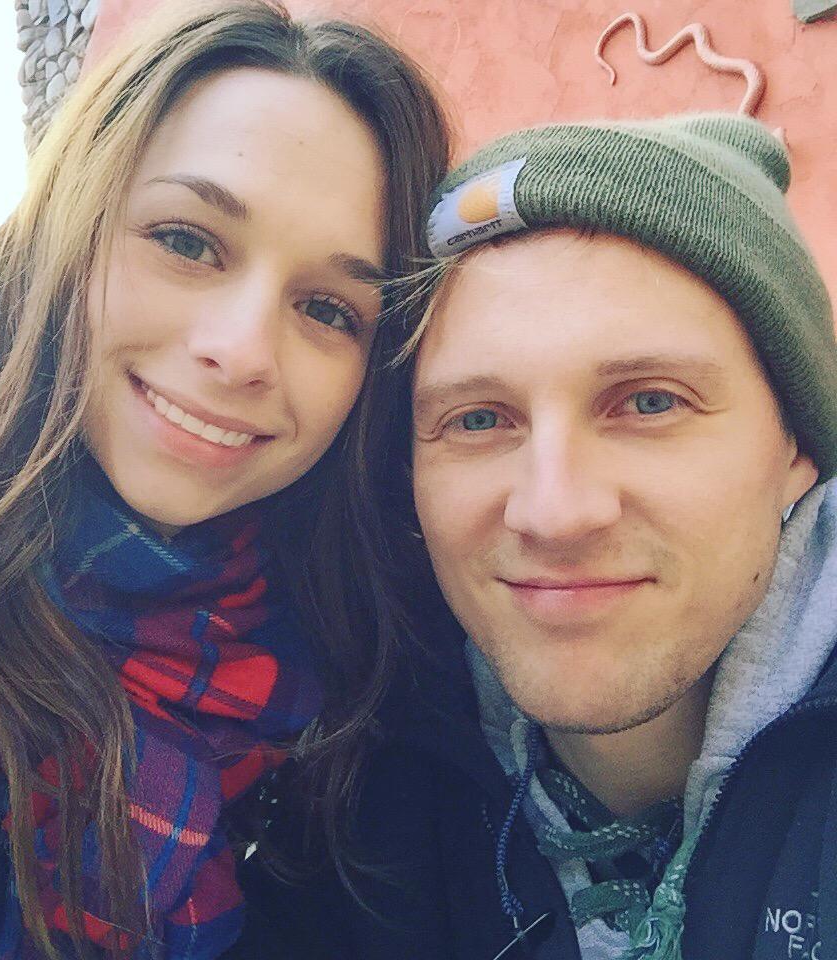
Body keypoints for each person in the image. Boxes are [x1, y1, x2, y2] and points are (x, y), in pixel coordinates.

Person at [0, 1, 449, 957]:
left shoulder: (370, 666)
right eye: (187, 241)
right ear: (69, 227)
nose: (241, 350)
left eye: (327, 308)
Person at [233, 113, 837, 960]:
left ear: (797, 449)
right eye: (478, 419)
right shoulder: (350, 802)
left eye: (651, 402)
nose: (553, 513)